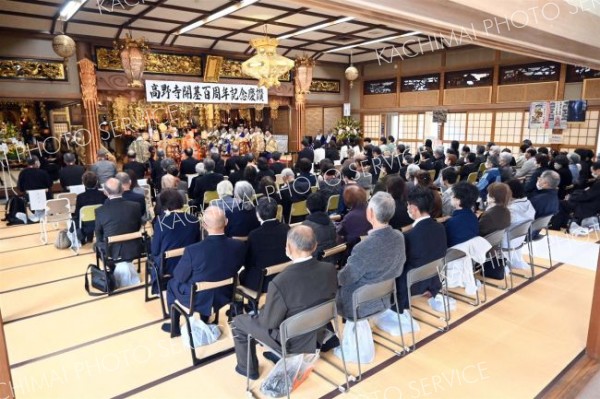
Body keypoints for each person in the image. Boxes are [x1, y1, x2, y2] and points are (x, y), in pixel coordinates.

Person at [232, 226, 337, 380]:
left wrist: (262, 312)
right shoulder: (329, 269)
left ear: (288, 247)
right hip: (318, 330)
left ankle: (248, 370)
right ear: (314, 246)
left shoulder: (280, 282)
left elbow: (269, 323)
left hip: (290, 341)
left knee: (238, 322)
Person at [163, 206, 246, 334]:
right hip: (226, 293)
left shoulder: (192, 250)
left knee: (171, 283)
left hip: (197, 298)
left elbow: (179, 277)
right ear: (226, 222)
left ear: (204, 225)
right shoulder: (238, 246)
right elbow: (238, 267)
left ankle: (175, 327)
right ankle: (206, 318)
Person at [337, 192, 406, 318]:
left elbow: (345, 278)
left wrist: (335, 275)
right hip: (384, 296)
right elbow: (399, 269)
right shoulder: (399, 237)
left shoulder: (363, 247)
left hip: (359, 304)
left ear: (370, 213)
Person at [396, 187, 447, 311]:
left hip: (412, 284)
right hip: (434, 278)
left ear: (413, 209)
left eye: (408, 205)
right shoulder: (440, 228)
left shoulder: (409, 236)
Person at [150, 189, 200, 292]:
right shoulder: (194, 220)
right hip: (189, 261)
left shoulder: (161, 222)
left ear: (163, 204)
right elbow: (197, 243)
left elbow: (155, 250)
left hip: (167, 265)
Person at [240, 197, 290, 292]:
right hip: (285, 277)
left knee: (242, 275)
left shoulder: (254, 235)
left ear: (257, 214)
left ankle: (250, 306)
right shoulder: (287, 228)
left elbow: (249, 263)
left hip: (263, 283)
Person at [94, 178, 142, 261]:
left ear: (105, 192)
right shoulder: (135, 206)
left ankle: (113, 269)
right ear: (122, 189)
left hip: (111, 251)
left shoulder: (100, 211)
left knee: (96, 245)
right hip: (134, 246)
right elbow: (138, 226)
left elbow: (99, 234)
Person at [553, 162, 600, 231]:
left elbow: (587, 196)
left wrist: (572, 196)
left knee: (561, 204)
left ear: (598, 170)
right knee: (564, 202)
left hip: (590, 206)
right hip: (593, 203)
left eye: (593, 172)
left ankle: (556, 227)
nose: (592, 174)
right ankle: (562, 225)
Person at [74, 171, 107, 244]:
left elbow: (78, 213)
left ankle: (83, 238)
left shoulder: (80, 197)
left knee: (75, 219)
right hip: (101, 222)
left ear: (83, 183)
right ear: (97, 182)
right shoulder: (103, 195)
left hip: (86, 224)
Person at [445, 181, 480, 247]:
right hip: (469, 252)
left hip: (454, 254)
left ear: (458, 201)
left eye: (452, 195)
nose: (451, 197)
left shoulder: (451, 223)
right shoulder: (474, 217)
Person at [302, 192, 337, 258]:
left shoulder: (306, 226)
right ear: (326, 207)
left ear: (308, 208)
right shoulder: (331, 222)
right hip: (333, 258)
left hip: (316, 262)